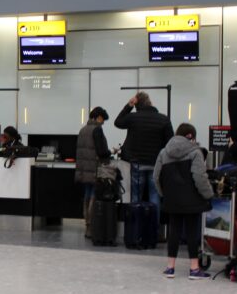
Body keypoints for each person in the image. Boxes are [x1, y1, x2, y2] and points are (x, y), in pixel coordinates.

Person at [154, 123, 214, 280]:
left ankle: (170, 267)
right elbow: (199, 177)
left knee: (174, 230)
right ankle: (194, 269)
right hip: (192, 199)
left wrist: (164, 194)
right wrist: (208, 194)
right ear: (192, 137)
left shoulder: (163, 153)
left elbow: (156, 177)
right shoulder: (195, 152)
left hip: (172, 199)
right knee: (192, 231)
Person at [114, 92, 174, 222]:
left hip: (137, 163)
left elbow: (118, 122)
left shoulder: (133, 118)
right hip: (156, 163)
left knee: (136, 197)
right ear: (150, 103)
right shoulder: (163, 119)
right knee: (155, 196)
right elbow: (170, 142)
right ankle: (153, 231)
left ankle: (136, 230)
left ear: (137, 105)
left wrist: (128, 106)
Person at [75, 107, 112, 239]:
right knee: (93, 196)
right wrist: (111, 152)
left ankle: (87, 225)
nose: (103, 123)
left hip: (84, 169)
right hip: (95, 168)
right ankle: (91, 227)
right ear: (98, 117)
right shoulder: (97, 130)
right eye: (103, 119)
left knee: (87, 194)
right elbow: (102, 152)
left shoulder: (83, 130)